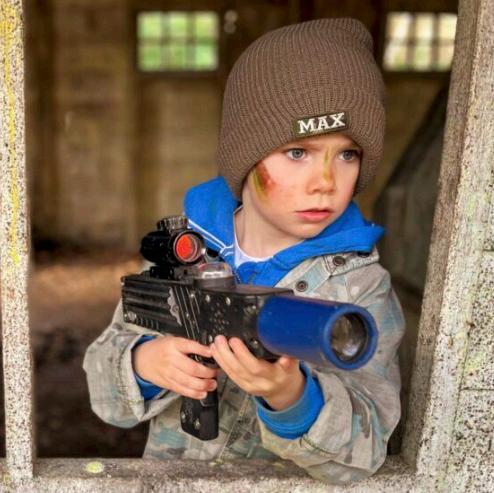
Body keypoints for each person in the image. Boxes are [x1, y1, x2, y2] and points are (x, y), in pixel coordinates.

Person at [83, 18, 405, 485]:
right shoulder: (181, 256)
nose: (325, 181)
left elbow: (367, 451)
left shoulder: (360, 287)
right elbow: (103, 387)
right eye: (298, 152)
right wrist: (145, 365)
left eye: (347, 154)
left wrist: (291, 398)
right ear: (246, 156)